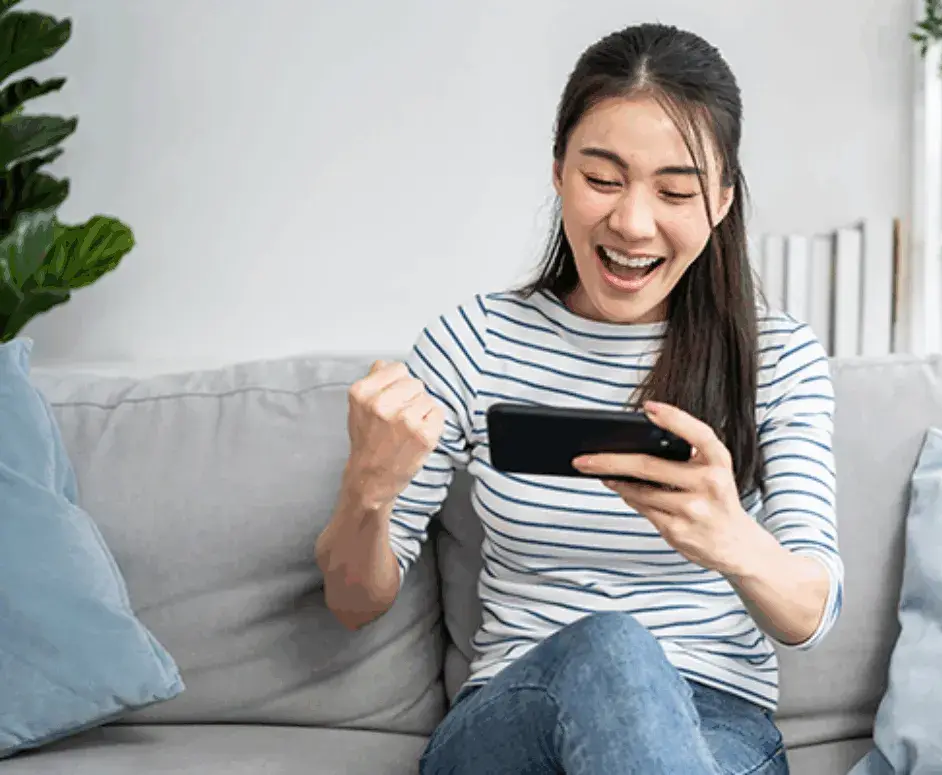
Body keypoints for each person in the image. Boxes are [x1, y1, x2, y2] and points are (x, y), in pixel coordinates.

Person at [312, 22, 841, 775]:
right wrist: (366, 487)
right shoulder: (475, 342)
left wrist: (730, 537)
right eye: (602, 179)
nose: (632, 223)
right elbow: (352, 603)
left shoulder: (777, 357)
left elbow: (810, 613)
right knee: (613, 645)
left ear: (721, 201)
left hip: (712, 726)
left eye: (675, 191)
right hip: (514, 721)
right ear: (559, 172)